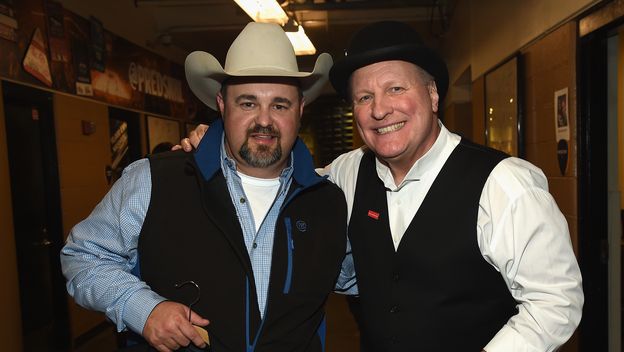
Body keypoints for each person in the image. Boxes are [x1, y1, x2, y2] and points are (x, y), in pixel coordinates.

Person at [181, 21, 584, 352]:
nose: (379, 109)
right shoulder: (346, 174)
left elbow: (556, 301)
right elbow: (274, 176)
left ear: (432, 94)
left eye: (395, 89)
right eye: (363, 97)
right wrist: (216, 147)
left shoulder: (504, 184)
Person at [61, 22, 348, 352]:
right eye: (247, 103)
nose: (264, 120)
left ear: (300, 110)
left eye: (280, 105)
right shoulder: (154, 179)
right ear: (222, 106)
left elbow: (363, 278)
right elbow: (84, 256)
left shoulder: (329, 202)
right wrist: (142, 309)